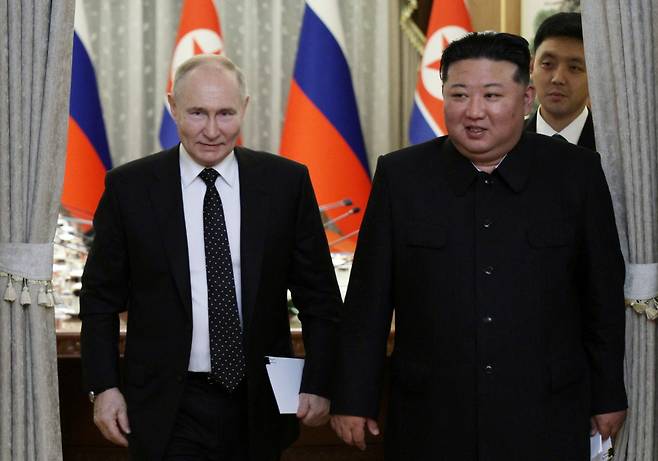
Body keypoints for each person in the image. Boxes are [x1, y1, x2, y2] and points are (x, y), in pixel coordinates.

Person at [330, 32, 627, 460]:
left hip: (546, 410)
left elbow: (600, 293)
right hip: (431, 414)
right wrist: (353, 399)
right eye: (458, 94)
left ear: (526, 99)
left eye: (492, 95)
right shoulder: (401, 177)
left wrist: (608, 394)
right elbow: (368, 303)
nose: (473, 112)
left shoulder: (575, 174)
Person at [80, 54, 342, 460]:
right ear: (172, 107)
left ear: (245, 108)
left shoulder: (286, 183)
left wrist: (321, 380)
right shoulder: (129, 188)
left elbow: (319, 297)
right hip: (166, 402)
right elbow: (99, 298)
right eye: (197, 113)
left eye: (225, 114)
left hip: (259, 400)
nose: (212, 131)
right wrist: (104, 386)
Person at [526, 12, 596, 149]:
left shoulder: (615, 147)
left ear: (594, 75)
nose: (558, 79)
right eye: (547, 64)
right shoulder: (504, 144)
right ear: (531, 66)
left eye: (574, 67)